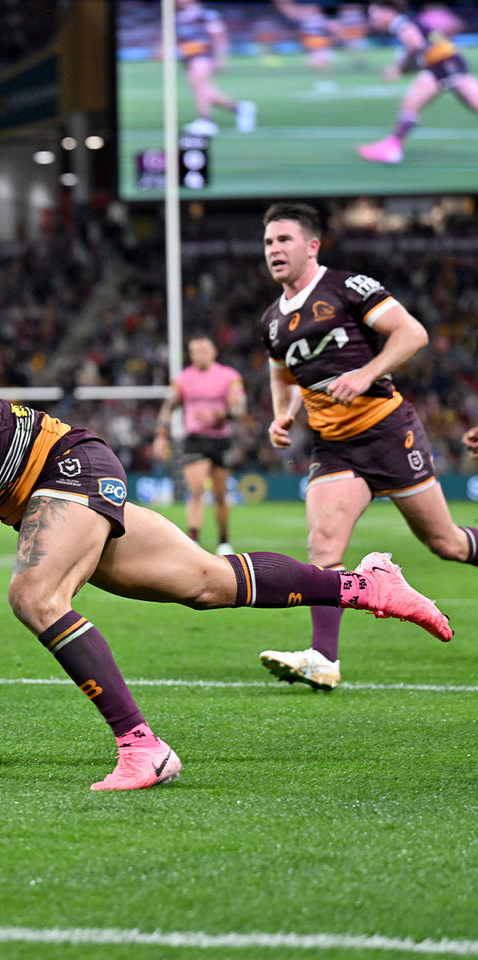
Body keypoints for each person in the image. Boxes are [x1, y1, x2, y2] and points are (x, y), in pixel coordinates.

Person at [0, 314, 450, 791]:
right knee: (208, 582)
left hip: (67, 467)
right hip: (42, 499)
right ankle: (368, 585)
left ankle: (143, 748)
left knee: (34, 595)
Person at [256, 201, 476, 691]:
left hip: (386, 430)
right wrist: (283, 413)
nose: (274, 249)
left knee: (446, 543)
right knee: (323, 546)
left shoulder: (346, 287)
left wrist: (365, 373)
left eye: (284, 239)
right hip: (334, 446)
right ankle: (322, 658)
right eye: (269, 241)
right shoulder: (273, 319)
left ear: (312, 246)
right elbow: (282, 373)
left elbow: (411, 333)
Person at [153, 334, 246, 555]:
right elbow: (168, 406)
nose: (199, 354)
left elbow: (239, 409)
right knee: (196, 490)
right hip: (194, 440)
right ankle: (193, 539)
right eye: (195, 351)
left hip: (220, 439)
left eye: (204, 349)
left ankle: (223, 539)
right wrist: (161, 435)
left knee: (221, 493)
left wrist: (219, 414)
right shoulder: (183, 379)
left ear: (214, 351)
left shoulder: (229, 376)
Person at [357, 0, 478, 165]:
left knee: (410, 104)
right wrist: (404, 67)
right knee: (411, 104)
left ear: (388, 11)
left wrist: (398, 68)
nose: (373, 19)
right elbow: (420, 50)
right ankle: (392, 147)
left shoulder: (399, 22)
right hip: (447, 62)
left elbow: (415, 44)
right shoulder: (406, 19)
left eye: (374, 14)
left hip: (443, 63)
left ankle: (392, 149)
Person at [176, 0, 256, 137]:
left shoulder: (206, 15)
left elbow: (219, 37)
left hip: (205, 55)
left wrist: (221, 58)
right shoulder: (178, 18)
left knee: (200, 85)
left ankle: (206, 120)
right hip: (188, 58)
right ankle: (240, 109)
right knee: (202, 89)